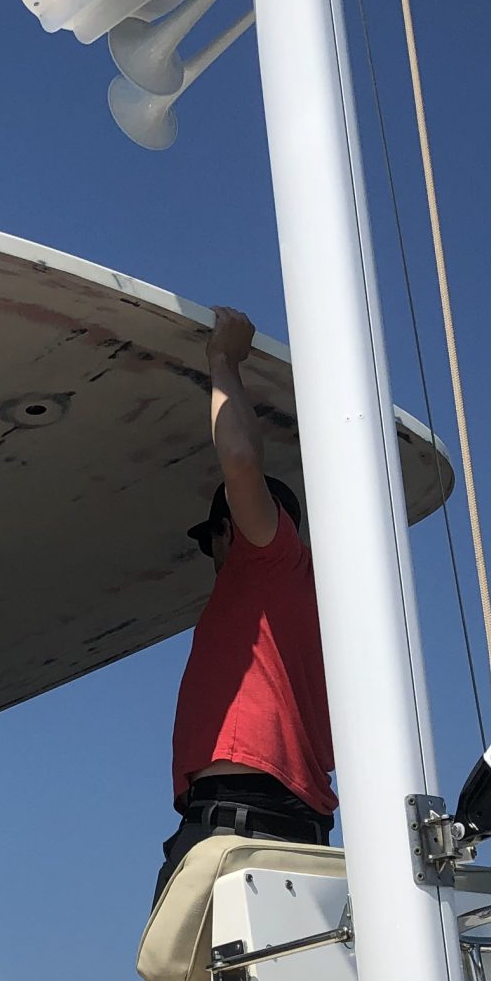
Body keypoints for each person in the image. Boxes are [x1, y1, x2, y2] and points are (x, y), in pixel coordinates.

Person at [159, 305, 336, 900]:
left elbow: (239, 460)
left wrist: (223, 361)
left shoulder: (269, 558)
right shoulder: (315, 603)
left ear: (229, 530)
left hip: (240, 821)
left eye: (211, 540)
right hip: (290, 826)